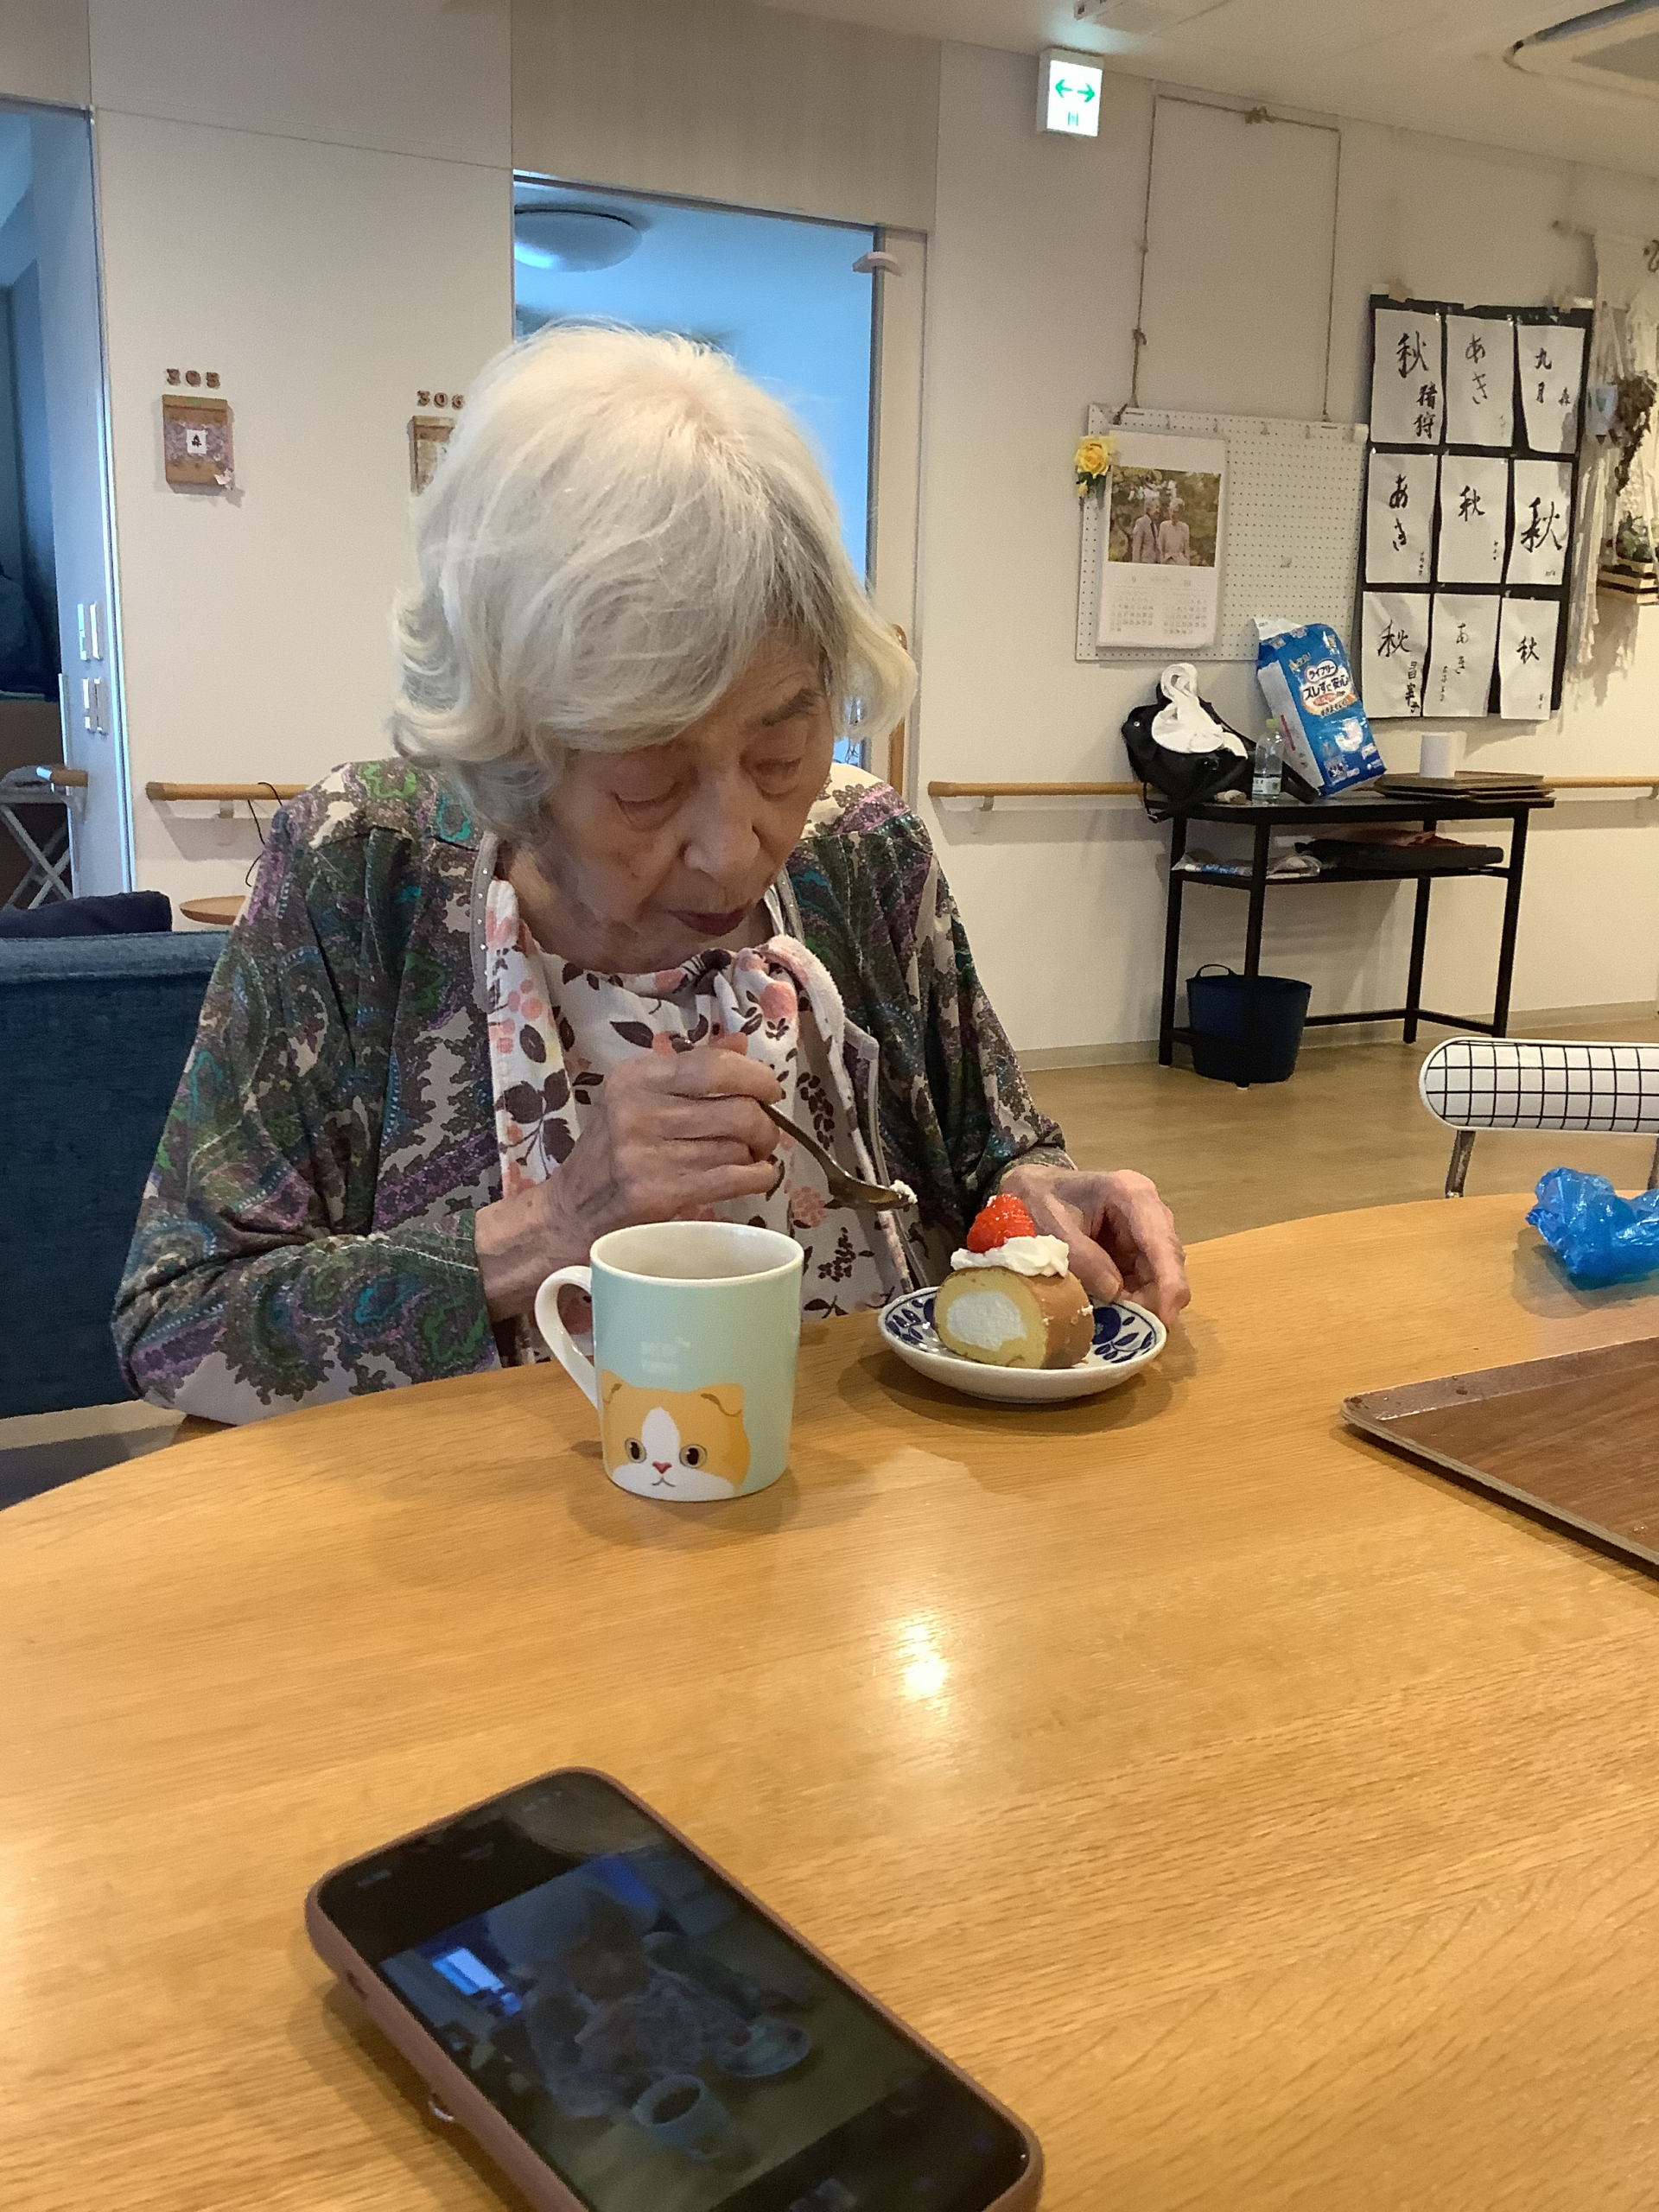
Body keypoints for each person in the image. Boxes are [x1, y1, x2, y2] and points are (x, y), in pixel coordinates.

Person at [115, 327, 1188, 1422]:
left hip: (867, 1497)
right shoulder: (359, 871)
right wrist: (552, 1226)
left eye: (781, 755)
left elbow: (990, 1152)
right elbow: (177, 1321)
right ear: (517, 753)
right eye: (646, 784)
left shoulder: (862, 849)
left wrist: (1038, 1197)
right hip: (487, 1514)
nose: (735, 846)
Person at [1158, 490, 1192, 566]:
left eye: (1176, 512)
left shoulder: (1184, 527)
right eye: (1171, 511)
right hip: (1167, 560)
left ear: (1180, 513)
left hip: (1180, 561)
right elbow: (1160, 547)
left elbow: (1186, 548)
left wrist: (1187, 562)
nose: (1172, 514)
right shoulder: (1164, 525)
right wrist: (1162, 561)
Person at [1128, 486, 1161, 564]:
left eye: (1159, 508)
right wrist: (1136, 565)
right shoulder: (1141, 523)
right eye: (1156, 507)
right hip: (1144, 563)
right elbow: (1137, 547)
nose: (1158, 511)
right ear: (1148, 509)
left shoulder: (1154, 526)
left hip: (1153, 564)